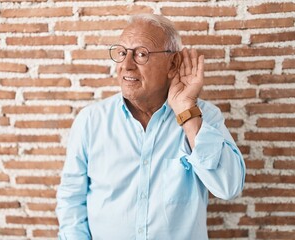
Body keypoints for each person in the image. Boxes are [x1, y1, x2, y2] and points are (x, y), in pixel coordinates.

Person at [56, 14, 246, 240]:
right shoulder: (90, 121)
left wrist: (187, 112)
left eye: (141, 54)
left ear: (173, 63)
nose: (126, 66)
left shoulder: (204, 116)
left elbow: (229, 187)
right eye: (121, 53)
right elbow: (71, 200)